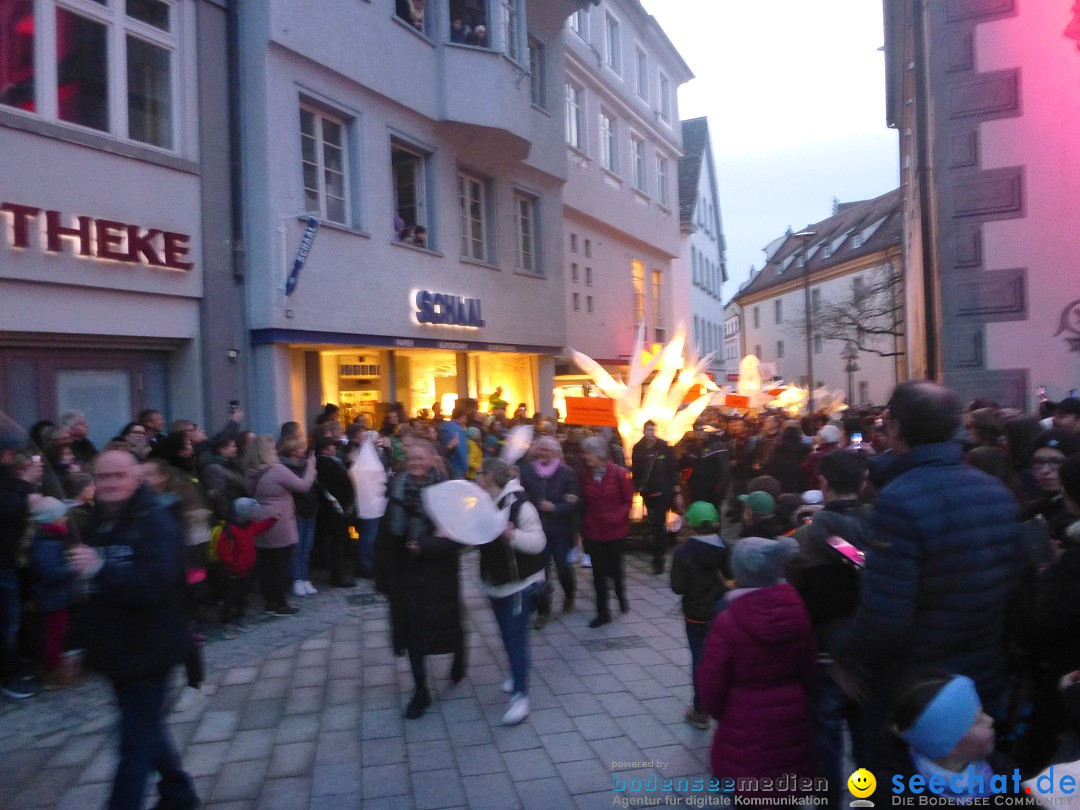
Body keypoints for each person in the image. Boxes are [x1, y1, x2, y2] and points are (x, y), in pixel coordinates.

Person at [832, 380, 1026, 767]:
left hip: (918, 690)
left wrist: (846, 655)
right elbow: (1014, 591)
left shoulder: (899, 501)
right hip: (981, 677)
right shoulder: (997, 492)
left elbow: (887, 617)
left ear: (896, 428)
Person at [66, 449, 198, 810]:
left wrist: (100, 569)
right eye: (102, 477)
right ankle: (179, 794)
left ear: (136, 478)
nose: (108, 484)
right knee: (147, 730)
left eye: (118, 476)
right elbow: (88, 593)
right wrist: (74, 645)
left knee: (133, 747)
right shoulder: (97, 522)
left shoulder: (156, 523)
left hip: (150, 651)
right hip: (116, 650)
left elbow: (152, 586)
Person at [695, 536, 815, 802]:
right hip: (792, 717)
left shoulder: (728, 621)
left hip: (743, 720)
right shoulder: (798, 610)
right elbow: (809, 664)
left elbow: (711, 681)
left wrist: (722, 712)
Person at [785, 450, 873, 808]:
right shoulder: (882, 523)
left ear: (823, 483)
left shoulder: (812, 535)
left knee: (825, 743)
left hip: (826, 655)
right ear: (863, 482)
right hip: (871, 650)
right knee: (869, 742)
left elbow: (853, 559)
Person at [384, 439, 463, 719]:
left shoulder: (447, 489)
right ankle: (421, 691)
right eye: (410, 457)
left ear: (431, 459)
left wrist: (426, 545)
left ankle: (459, 656)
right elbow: (389, 534)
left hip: (439, 572)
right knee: (413, 632)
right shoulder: (398, 486)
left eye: (419, 457)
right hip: (407, 571)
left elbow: (459, 539)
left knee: (447, 624)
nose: (414, 462)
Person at [475, 457, 547, 725]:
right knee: (506, 635)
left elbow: (539, 543)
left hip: (520, 584)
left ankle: (521, 696)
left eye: (479, 474)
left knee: (516, 638)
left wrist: (512, 536)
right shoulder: (484, 503)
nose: (476, 479)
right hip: (496, 583)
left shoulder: (521, 505)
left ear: (489, 477)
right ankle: (516, 675)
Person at [884, 674, 1006, 800]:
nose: (990, 720)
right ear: (947, 744)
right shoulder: (895, 794)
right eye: (977, 721)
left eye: (983, 712)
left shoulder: (1001, 770)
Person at [241, 435, 316, 616]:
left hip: (259, 519)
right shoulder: (276, 470)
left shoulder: (250, 471)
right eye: (273, 449)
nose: (276, 451)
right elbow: (303, 485)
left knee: (267, 564)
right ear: (266, 452)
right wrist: (311, 467)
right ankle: (281, 603)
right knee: (281, 563)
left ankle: (270, 601)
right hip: (279, 520)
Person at [670, 501, 728, 730]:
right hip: (722, 612)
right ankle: (724, 704)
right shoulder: (726, 547)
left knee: (699, 658)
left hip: (696, 615)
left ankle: (700, 710)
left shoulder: (683, 553)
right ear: (715, 522)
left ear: (691, 524)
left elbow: (678, 587)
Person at [517, 436, 580, 624]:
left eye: (547, 450)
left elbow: (574, 500)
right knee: (540, 574)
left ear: (555, 452)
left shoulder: (566, 472)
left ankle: (569, 596)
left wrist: (556, 507)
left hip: (560, 531)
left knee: (563, 570)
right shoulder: (527, 471)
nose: (543, 453)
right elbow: (522, 494)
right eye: (540, 449)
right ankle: (543, 611)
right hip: (537, 531)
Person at [579, 436, 634, 628]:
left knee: (616, 570)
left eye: (588, 453)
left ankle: (621, 595)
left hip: (615, 532)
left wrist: (617, 517)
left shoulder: (619, 473)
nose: (586, 458)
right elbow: (584, 503)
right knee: (598, 574)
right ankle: (603, 613)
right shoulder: (585, 475)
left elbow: (628, 501)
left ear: (599, 454)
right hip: (594, 532)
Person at [29, 497, 76, 689]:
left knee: (56, 634)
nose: (65, 519)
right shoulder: (48, 545)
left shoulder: (49, 540)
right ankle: (55, 674)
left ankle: (56, 670)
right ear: (53, 519)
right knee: (54, 636)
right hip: (52, 600)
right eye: (62, 516)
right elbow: (49, 573)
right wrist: (72, 568)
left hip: (54, 598)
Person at [216, 498, 276, 639]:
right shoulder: (230, 531)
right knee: (230, 598)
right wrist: (232, 563)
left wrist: (272, 521)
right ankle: (228, 623)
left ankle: (240, 617)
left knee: (243, 596)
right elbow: (223, 551)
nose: (253, 514)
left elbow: (260, 527)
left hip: (247, 570)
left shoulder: (249, 526)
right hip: (233, 572)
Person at [632, 420, 681, 575]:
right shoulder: (638, 448)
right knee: (654, 524)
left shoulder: (664, 447)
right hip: (648, 492)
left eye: (653, 430)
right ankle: (657, 553)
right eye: (648, 430)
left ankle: (659, 559)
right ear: (644, 431)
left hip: (663, 491)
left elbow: (673, 470)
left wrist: (676, 491)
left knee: (659, 523)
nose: (650, 433)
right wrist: (636, 487)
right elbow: (636, 471)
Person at [315, 435, 358, 588]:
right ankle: (337, 576)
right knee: (337, 543)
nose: (334, 448)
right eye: (332, 446)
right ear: (326, 449)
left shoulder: (331, 462)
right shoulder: (325, 464)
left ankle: (339, 573)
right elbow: (337, 485)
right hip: (335, 509)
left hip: (340, 508)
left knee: (341, 541)